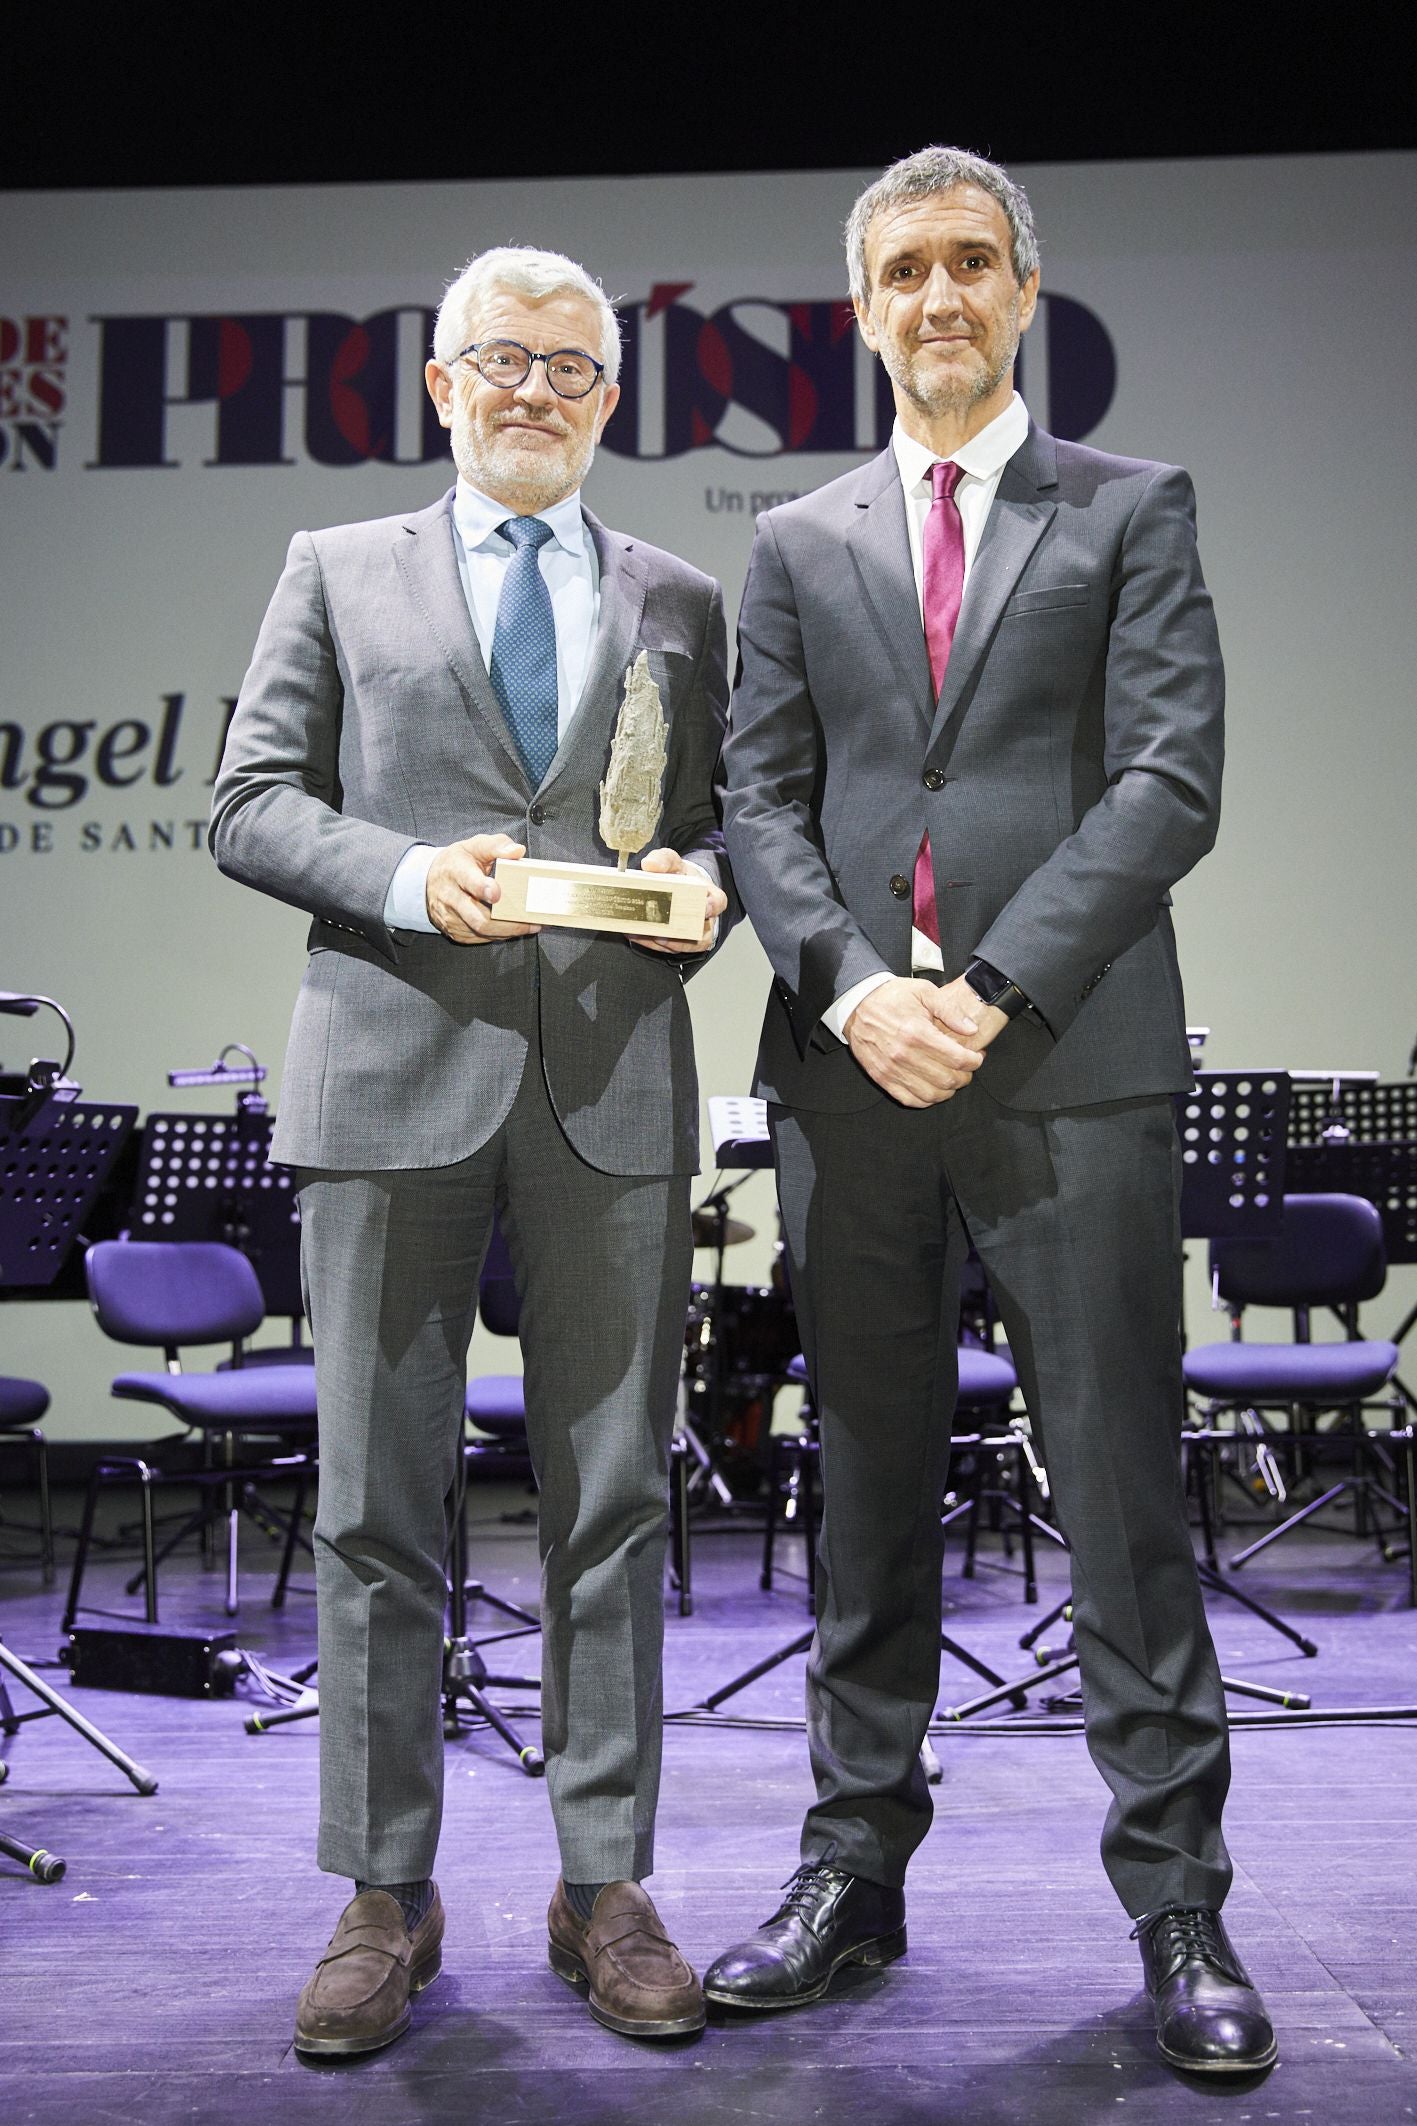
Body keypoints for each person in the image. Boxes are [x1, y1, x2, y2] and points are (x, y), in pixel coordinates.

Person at [709, 147, 1275, 2076]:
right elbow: (757, 805)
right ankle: (848, 1873)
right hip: (850, 1073)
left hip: (1071, 1065)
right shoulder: (794, 540)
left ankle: (1178, 1903)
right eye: (902, 271)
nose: (937, 296)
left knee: (1120, 1487)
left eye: (971, 264)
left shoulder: (1131, 509)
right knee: (860, 1488)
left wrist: (989, 989)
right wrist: (862, 990)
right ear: (861, 311)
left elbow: (1166, 783)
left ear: (1023, 294)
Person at [210, 244, 732, 2056]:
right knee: (371, 1505)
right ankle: (383, 1885)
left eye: (570, 367)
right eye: (498, 361)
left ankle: (605, 1883)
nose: (533, 390)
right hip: (388, 1076)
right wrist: (404, 873)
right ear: (439, 385)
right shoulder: (333, 571)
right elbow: (248, 799)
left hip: (610, 1087)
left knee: (615, 1502)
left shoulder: (679, 595)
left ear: (608, 398)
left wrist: (707, 888)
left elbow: (715, 825)